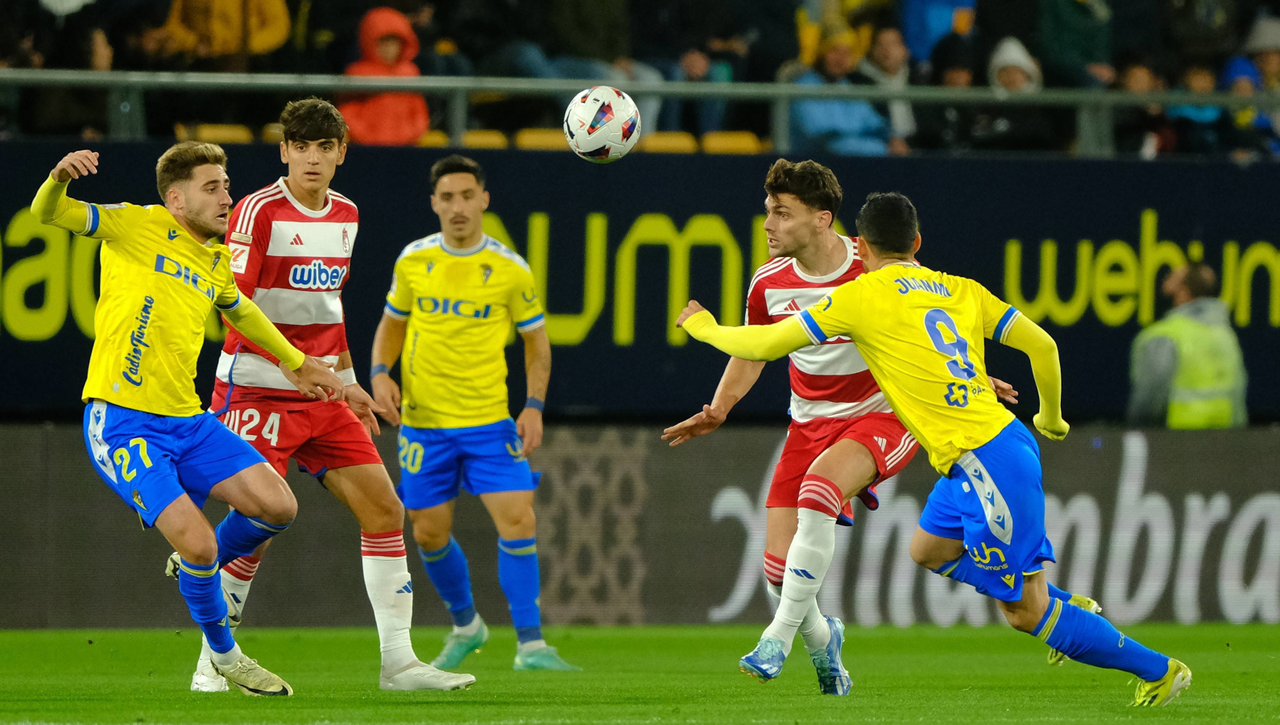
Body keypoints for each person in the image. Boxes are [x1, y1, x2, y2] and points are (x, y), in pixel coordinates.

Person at [676, 192, 1191, 707]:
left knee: (1023, 613)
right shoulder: (959, 289)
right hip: (991, 445)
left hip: (985, 460)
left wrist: (702, 326)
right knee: (929, 549)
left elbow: (764, 345)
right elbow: (1043, 346)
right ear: (917, 242)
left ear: (862, 245)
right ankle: (1063, 604)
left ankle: (1160, 670)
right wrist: (1050, 416)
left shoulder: (862, 294)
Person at [175, 99, 475, 693]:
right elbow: (234, 310)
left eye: (324, 147)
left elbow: (327, 309)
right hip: (254, 391)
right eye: (300, 146)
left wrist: (351, 382)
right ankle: (212, 661)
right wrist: (301, 368)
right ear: (283, 151)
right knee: (258, 519)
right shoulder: (257, 212)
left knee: (386, 509)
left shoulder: (346, 214)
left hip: (322, 392)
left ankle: (399, 664)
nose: (312, 158)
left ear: (341, 153)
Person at [32, 142, 346, 696]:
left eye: (226, 185)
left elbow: (242, 310)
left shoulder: (215, 257)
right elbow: (49, 213)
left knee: (278, 506)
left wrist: (299, 364)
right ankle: (225, 656)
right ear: (176, 199)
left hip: (189, 421)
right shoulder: (134, 224)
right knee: (200, 547)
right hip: (124, 419)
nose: (227, 197)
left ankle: (196, 570)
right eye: (212, 188)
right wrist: (59, 177)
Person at [665, 159, 958, 695]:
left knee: (821, 488)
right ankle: (825, 642)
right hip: (808, 427)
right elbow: (755, 353)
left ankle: (775, 640)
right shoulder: (769, 282)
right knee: (779, 573)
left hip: (881, 415)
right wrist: (719, 407)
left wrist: (975, 375)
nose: (768, 225)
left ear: (823, 220)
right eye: (768, 212)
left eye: (782, 213)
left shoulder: (871, 266)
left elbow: (931, 325)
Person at [370, 155, 575, 672]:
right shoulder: (414, 261)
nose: (458, 207)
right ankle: (467, 625)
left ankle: (531, 645)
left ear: (484, 199)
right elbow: (392, 323)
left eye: (467, 196)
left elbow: (537, 344)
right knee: (428, 533)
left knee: (519, 519)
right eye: (447, 198)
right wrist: (378, 373)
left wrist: (532, 406)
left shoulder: (510, 268)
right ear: (434, 204)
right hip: (424, 423)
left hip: (489, 422)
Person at [1128, 263, 1247, 429]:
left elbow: (1149, 402)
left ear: (1184, 292)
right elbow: (1238, 400)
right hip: (1222, 445)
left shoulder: (1165, 336)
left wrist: (1137, 437)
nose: (1164, 287)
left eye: (1171, 282)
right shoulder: (1226, 337)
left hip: (1175, 444)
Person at [339, 7, 431, 146]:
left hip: (406, 147)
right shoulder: (357, 73)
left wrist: (409, 134)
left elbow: (419, 111)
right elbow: (347, 111)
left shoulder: (410, 72)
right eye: (383, 41)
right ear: (368, 41)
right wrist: (365, 136)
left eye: (394, 41)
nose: (389, 47)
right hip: (364, 149)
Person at [791, 32, 893, 156]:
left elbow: (873, 123)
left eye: (846, 54)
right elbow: (824, 139)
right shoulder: (802, 87)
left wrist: (892, 138)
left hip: (855, 161)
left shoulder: (846, 86)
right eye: (834, 51)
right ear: (821, 53)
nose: (840, 59)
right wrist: (881, 148)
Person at [851, 25, 916, 153]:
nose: (886, 51)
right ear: (871, 50)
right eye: (880, 45)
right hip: (879, 150)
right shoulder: (857, 82)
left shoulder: (919, 79)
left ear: (905, 50)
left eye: (892, 44)